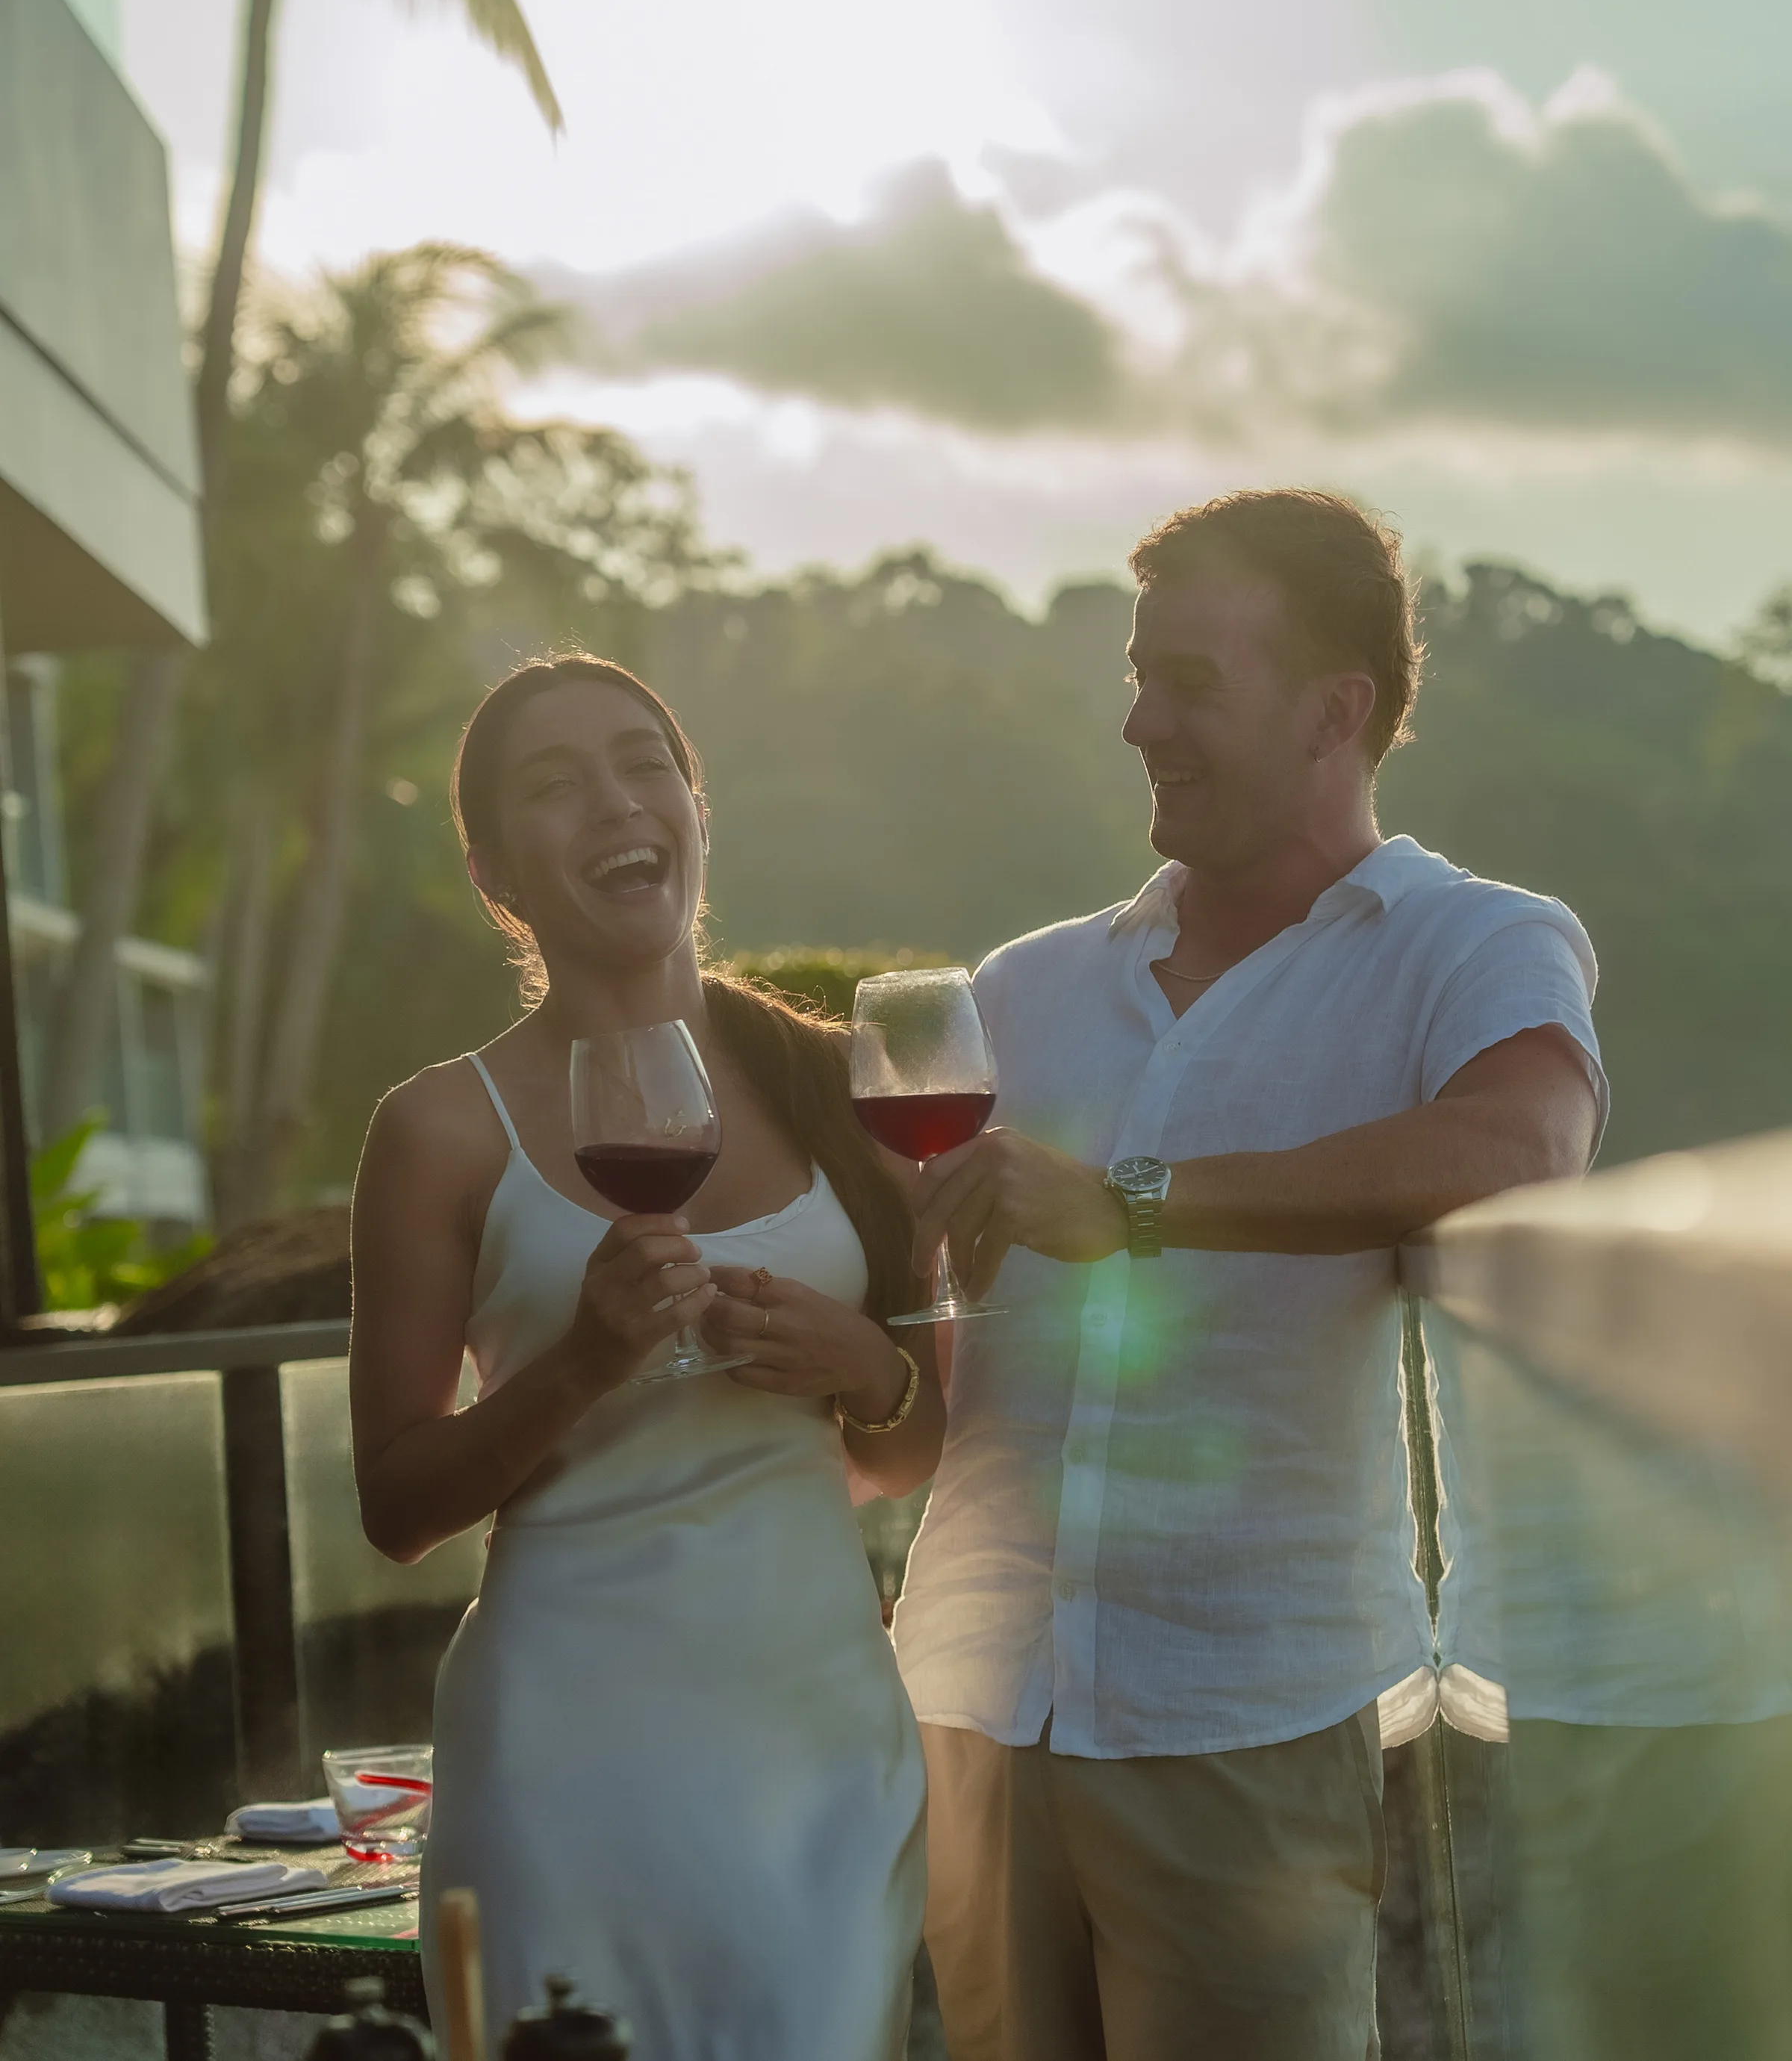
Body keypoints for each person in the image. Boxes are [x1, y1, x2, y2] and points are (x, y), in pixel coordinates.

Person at [894, 488, 1608, 2061]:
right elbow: (923, 1306)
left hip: (1242, 1719)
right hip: (970, 1700)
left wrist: (1132, 1203)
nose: (1142, 720)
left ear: (1335, 711)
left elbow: (1521, 1149)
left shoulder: (1473, 943)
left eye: (1192, 682)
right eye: (1136, 677)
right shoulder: (1021, 987)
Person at [349, 653, 938, 2058]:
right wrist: (579, 1362)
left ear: (695, 804)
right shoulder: (442, 1128)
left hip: (818, 1748)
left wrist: (864, 1361)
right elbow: (397, 1507)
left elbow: (914, 1448)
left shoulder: (841, 1083)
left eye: (642, 762)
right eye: (555, 786)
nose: (615, 801)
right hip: (563, 1763)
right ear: (497, 874)